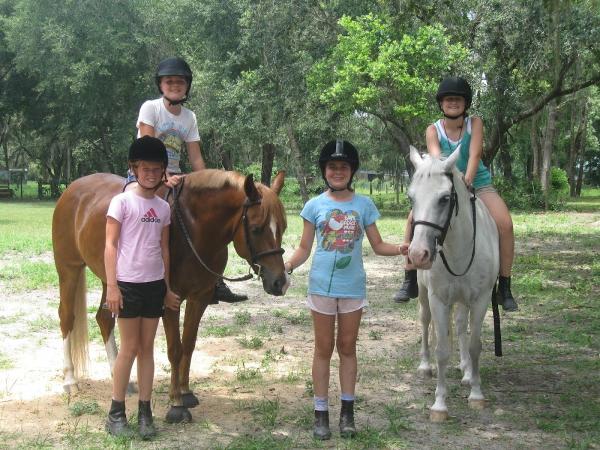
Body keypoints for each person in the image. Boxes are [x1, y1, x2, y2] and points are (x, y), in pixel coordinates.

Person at [284, 140, 408, 440]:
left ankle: (348, 413)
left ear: (351, 171)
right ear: (324, 171)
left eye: (343, 167)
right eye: (332, 167)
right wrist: (285, 267)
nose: (337, 172)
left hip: (352, 288)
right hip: (321, 289)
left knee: (348, 348)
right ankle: (321, 412)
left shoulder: (364, 205)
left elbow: (378, 246)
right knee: (323, 349)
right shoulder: (314, 206)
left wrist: (404, 248)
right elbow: (303, 248)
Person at [393, 76, 518, 311]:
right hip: (444, 185)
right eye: (449, 99)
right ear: (441, 103)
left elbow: (474, 155)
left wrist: (468, 179)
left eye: (458, 99)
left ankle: (505, 285)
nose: (453, 103)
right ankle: (409, 277)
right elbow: (437, 158)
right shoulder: (433, 129)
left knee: (505, 224)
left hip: (477, 183)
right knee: (412, 219)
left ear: (465, 103)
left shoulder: (475, 123)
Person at [134, 56, 247, 304]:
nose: (175, 85)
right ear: (160, 85)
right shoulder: (150, 108)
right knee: (138, 213)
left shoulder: (189, 117)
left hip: (175, 176)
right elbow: (146, 147)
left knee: (213, 215)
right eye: (169, 81)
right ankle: (136, 270)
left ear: (187, 86)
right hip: (145, 174)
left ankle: (214, 280)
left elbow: (196, 159)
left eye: (180, 82)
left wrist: (207, 183)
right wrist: (162, 177)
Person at [104, 136, 181, 438]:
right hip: (127, 285)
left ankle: (145, 411)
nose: (150, 174)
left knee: (148, 348)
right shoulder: (121, 202)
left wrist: (168, 287)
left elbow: (164, 251)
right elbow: (110, 245)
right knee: (129, 349)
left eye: (156, 169)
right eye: (144, 169)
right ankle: (116, 411)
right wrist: (112, 286)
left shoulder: (163, 208)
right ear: (133, 168)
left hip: (153, 287)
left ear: (164, 170)